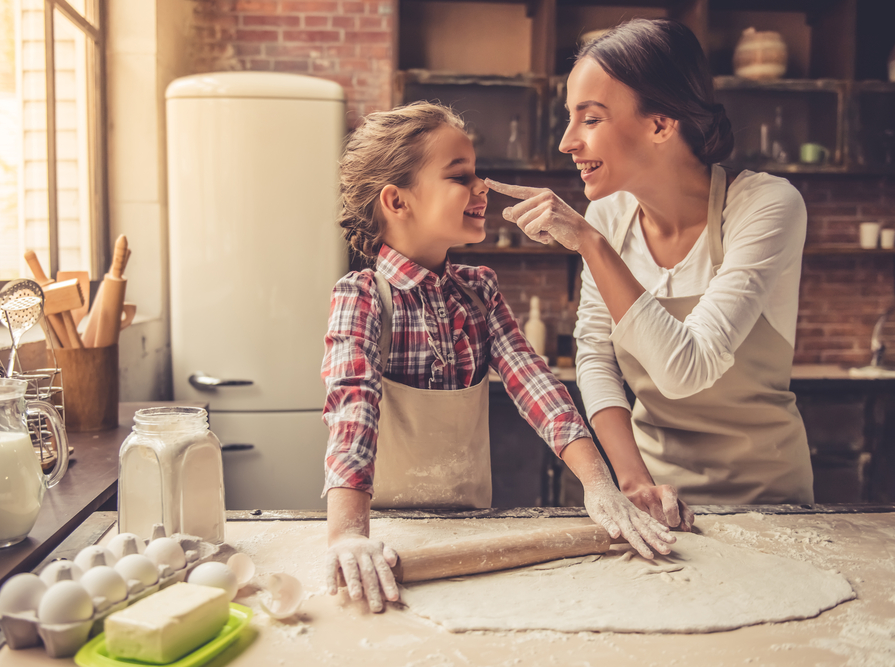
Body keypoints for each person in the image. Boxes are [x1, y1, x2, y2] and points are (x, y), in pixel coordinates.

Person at [320, 101, 676, 613]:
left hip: (471, 532)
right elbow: (352, 409)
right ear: (397, 201)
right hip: (388, 540)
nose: (482, 187)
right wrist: (348, 536)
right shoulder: (363, 296)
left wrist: (600, 486)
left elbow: (536, 384)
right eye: (460, 177)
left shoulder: (478, 291)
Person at [487, 18, 814, 531]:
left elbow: (688, 368)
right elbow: (594, 352)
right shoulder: (609, 217)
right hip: (657, 496)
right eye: (569, 119)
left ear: (661, 125)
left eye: (590, 119)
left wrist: (590, 245)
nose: (567, 142)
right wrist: (633, 479)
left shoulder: (765, 206)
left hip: (769, 502)